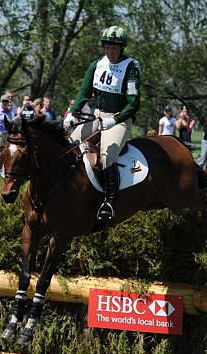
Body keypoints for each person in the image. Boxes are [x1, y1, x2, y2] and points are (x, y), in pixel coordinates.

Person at [64, 25, 141, 221]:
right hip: (97, 117)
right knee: (69, 143)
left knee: (107, 157)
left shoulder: (131, 67)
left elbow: (133, 104)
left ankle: (109, 201)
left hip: (119, 120)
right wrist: (73, 113)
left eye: (114, 48)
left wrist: (115, 119)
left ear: (121, 48)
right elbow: (84, 92)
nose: (111, 52)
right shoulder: (96, 64)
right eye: (107, 48)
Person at [0, 94, 15, 176]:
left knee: (6, 153)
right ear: (1, 101)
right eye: (3, 101)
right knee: (0, 153)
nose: (5, 103)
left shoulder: (10, 110)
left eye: (6, 101)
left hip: (7, 134)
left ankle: (2, 171)